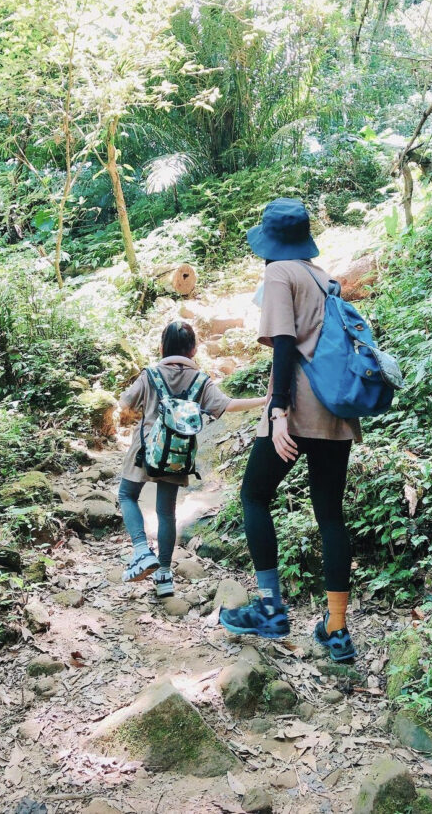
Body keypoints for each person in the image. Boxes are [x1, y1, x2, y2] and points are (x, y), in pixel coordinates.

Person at [219, 198, 362, 662]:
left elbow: (283, 344)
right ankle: (336, 630)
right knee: (331, 516)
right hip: (336, 410)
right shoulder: (324, 277)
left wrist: (279, 411)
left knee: (254, 496)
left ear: (272, 242)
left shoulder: (280, 273)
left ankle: (270, 609)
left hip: (297, 409)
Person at [118, 320, 265, 598]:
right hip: (176, 453)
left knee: (127, 495)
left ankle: (141, 551)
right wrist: (265, 399)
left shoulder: (150, 374)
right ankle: (163, 576)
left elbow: (126, 402)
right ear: (194, 350)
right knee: (166, 513)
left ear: (162, 347)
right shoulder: (201, 380)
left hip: (144, 450)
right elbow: (227, 405)